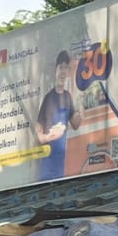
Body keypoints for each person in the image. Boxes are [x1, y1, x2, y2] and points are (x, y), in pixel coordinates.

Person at [33, 50, 74, 180]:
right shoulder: (49, 98)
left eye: (66, 68)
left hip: (61, 162)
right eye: (61, 67)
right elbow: (38, 132)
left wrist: (81, 107)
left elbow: (75, 123)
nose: (63, 71)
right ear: (55, 70)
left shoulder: (68, 97)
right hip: (47, 161)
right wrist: (48, 137)